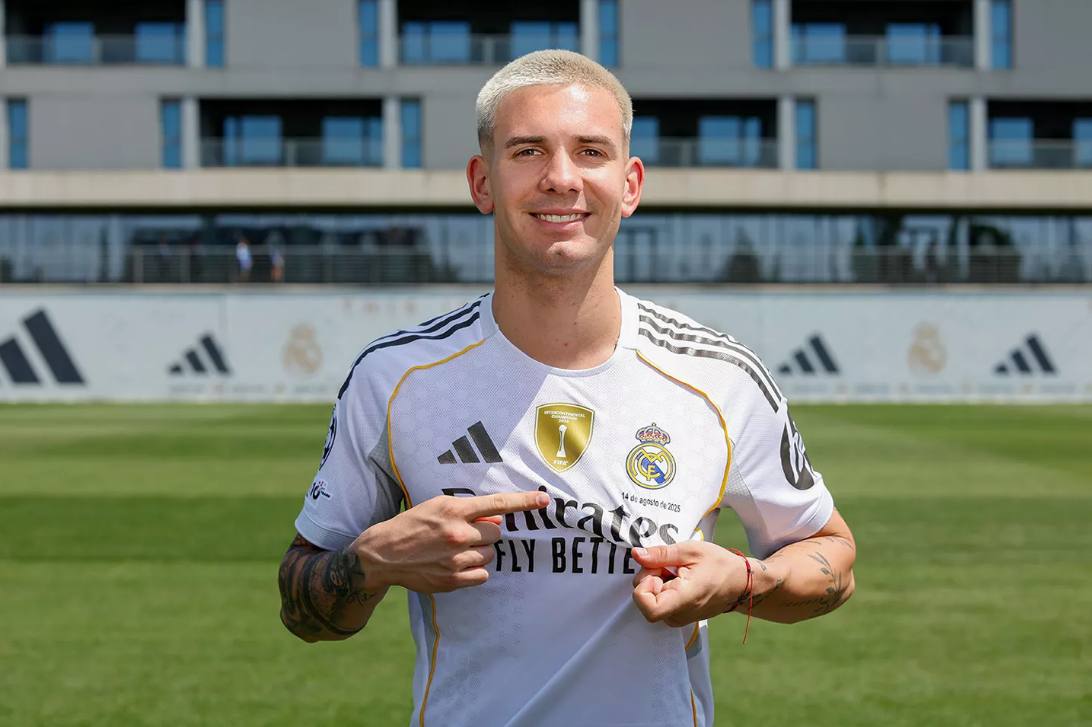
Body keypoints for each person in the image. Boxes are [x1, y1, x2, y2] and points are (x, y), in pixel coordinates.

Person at [277, 50, 856, 727]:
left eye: (591, 152)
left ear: (630, 185)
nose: (560, 177)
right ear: (482, 181)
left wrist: (745, 581)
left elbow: (833, 558)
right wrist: (372, 563)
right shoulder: (394, 377)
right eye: (527, 151)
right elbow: (302, 611)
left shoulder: (720, 377)